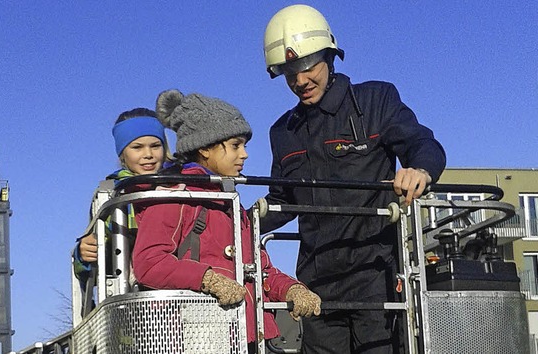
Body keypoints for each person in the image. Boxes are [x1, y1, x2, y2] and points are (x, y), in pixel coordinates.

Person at [260, 5, 447, 354]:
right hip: (316, 287)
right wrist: (234, 222)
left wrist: (419, 170)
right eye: (288, 72)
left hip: (376, 276)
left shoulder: (375, 100)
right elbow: (282, 201)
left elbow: (423, 144)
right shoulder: (282, 131)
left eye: (307, 66)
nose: (300, 80)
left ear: (330, 57)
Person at [131, 89, 321, 350]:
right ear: (205, 147)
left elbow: (259, 269)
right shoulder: (173, 196)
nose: (244, 154)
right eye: (235, 145)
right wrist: (207, 279)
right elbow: (149, 263)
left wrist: (292, 289)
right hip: (192, 338)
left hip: (246, 336)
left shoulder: (229, 203)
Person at [73, 108, 170, 290]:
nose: (148, 154)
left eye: (155, 146)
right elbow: (95, 244)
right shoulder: (113, 193)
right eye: (137, 147)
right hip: (130, 295)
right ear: (122, 153)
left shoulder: (181, 186)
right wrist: (83, 253)